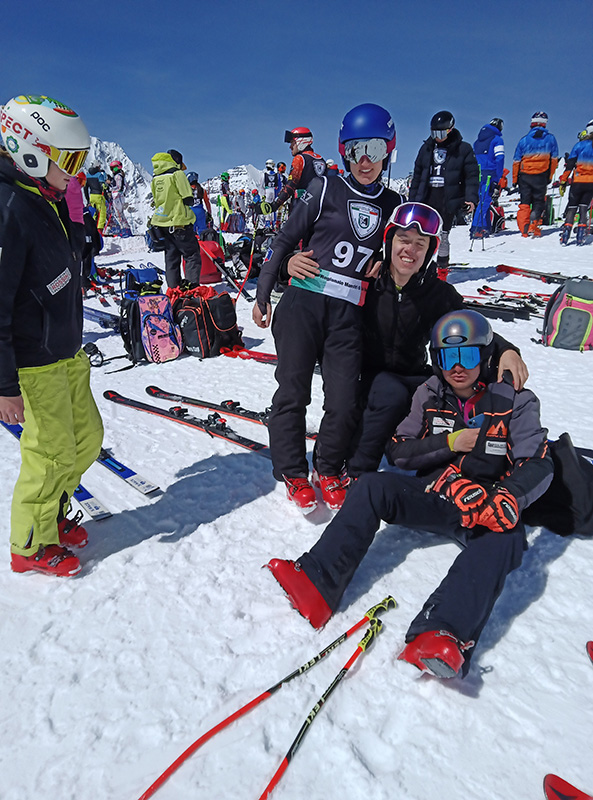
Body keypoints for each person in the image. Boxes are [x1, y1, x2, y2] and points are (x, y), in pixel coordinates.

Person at [266, 309, 554, 679]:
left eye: (468, 355)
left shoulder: (515, 400)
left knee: (507, 538)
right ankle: (316, 581)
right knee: (372, 485)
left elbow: (538, 461)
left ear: (484, 356)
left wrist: (508, 497)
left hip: (483, 506)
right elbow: (399, 451)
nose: (458, 367)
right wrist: (451, 442)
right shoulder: (429, 393)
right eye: (448, 357)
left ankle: (442, 632)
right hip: (436, 493)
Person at [253, 103, 402, 513]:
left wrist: (383, 264)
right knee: (293, 392)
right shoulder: (324, 187)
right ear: (343, 152)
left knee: (343, 399)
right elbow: (284, 239)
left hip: (348, 314)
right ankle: (293, 471)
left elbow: (404, 257)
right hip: (303, 304)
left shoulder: (393, 204)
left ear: (389, 150)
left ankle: (329, 466)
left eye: (374, 149)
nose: (365, 161)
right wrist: (271, 282)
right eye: (355, 151)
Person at [0, 94, 104, 576]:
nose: (75, 174)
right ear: (30, 153)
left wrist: (78, 227)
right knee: (50, 453)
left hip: (66, 351)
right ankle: (29, 544)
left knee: (86, 440)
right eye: (70, 162)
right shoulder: (9, 208)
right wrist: (5, 385)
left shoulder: (46, 199)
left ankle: (53, 516)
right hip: (33, 361)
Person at [346, 202, 528, 478]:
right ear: (389, 242)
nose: (410, 250)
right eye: (403, 240)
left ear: (429, 251)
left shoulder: (437, 293)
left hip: (414, 375)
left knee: (471, 375)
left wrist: (506, 351)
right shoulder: (367, 282)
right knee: (390, 392)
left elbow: (470, 327)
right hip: (367, 378)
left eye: (420, 244)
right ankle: (358, 474)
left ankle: (494, 452)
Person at [409, 111, 479, 271]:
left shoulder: (463, 149)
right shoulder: (426, 148)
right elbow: (417, 176)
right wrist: (412, 200)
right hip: (427, 196)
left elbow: (472, 176)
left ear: (450, 129)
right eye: (434, 133)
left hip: (448, 198)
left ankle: (442, 268)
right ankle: (419, 267)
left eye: (441, 133)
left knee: (443, 234)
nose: (437, 137)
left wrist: (471, 198)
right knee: (421, 234)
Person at [150, 149, 202, 287]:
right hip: (179, 222)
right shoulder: (177, 174)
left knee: (171, 258)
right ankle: (192, 290)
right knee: (191, 255)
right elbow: (188, 198)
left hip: (163, 224)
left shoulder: (156, 178)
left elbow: (156, 200)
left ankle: (174, 289)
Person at [512, 112, 559, 238]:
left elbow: (516, 161)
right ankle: (534, 225)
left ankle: (524, 229)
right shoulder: (551, 139)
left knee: (524, 202)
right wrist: (550, 176)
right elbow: (554, 160)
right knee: (539, 201)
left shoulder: (523, 140)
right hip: (541, 175)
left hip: (525, 175)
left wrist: (515, 179)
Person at [267, 126, 326, 216]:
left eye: (292, 143)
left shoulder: (299, 159)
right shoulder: (321, 160)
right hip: (319, 207)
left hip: (301, 207)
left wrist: (275, 204)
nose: (290, 147)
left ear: (301, 142)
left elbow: (291, 185)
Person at [558, 120, 593, 246]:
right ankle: (581, 235)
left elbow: (570, 165)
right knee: (584, 208)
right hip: (591, 183)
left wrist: (563, 181)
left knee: (572, 207)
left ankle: (565, 235)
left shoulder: (579, 146)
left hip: (578, 181)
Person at [471, 118, 505, 237]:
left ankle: (485, 227)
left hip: (477, 174)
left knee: (482, 201)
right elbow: (500, 158)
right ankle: (476, 229)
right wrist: (498, 176)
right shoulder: (497, 140)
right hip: (490, 173)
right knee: (485, 202)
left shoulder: (477, 142)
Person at [106, 159, 131, 236]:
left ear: (117, 167)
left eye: (113, 168)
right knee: (120, 213)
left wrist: (110, 184)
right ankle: (126, 229)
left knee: (119, 214)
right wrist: (124, 194)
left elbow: (118, 187)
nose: (112, 170)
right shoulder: (121, 176)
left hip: (117, 196)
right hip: (120, 196)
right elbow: (127, 187)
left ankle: (125, 230)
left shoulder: (117, 176)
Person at [85, 161, 108, 235]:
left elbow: (85, 188)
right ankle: (99, 231)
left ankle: (92, 229)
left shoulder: (87, 175)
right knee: (102, 214)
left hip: (92, 196)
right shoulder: (99, 175)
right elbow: (103, 187)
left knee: (94, 213)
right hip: (99, 196)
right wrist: (107, 197)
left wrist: (88, 200)